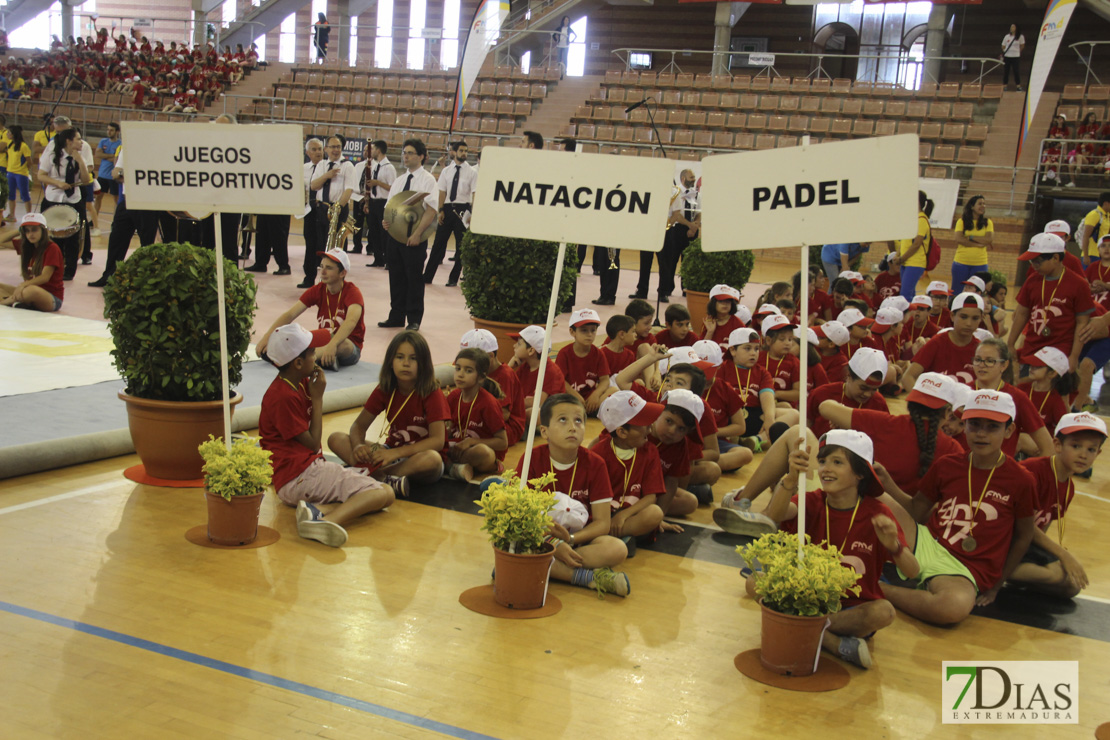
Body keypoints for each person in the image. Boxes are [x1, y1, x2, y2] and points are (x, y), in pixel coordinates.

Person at [751, 430, 920, 668]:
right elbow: (776, 514)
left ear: (861, 473)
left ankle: (799, 625)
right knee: (754, 581)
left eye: (837, 462)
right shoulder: (812, 501)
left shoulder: (877, 513)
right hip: (805, 597)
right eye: (822, 461)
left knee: (884, 612)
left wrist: (894, 546)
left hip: (850, 608)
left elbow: (913, 572)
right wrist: (789, 480)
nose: (825, 469)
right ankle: (830, 641)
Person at [875, 390, 1036, 625]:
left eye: (992, 427)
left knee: (951, 608)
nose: (981, 434)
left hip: (965, 567)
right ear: (964, 424)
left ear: (1009, 431)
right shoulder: (947, 464)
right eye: (974, 425)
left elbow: (1025, 534)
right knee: (868, 494)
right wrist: (886, 484)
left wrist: (997, 585)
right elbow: (916, 511)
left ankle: (877, 587)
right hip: (926, 541)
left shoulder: (1021, 480)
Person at [259, 324, 395, 548]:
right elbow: (313, 444)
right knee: (379, 492)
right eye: (312, 352)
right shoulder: (283, 396)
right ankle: (326, 521)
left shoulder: (297, 382)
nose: (317, 356)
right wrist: (318, 398)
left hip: (303, 473)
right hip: (299, 476)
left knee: (385, 493)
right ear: (298, 363)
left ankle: (316, 511)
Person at [515, 394, 630, 595]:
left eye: (578, 420)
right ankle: (586, 577)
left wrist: (568, 539)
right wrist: (551, 542)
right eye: (562, 420)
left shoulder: (595, 464)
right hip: (538, 537)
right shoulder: (531, 460)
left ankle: (540, 566)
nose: (572, 427)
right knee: (513, 539)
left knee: (617, 549)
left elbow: (603, 523)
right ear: (544, 431)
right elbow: (520, 515)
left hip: (579, 540)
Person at [328, 330, 449, 496]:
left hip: (418, 457)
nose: (406, 363)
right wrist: (358, 446)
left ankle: (376, 475)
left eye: (413, 358)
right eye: (400, 357)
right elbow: (358, 426)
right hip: (389, 449)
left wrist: (395, 454)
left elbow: (437, 441)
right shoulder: (385, 388)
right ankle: (383, 477)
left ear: (424, 363)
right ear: (390, 362)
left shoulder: (432, 393)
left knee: (432, 459)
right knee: (336, 438)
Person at [1010, 413, 1105, 597]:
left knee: (1072, 586)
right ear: (1058, 445)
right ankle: (989, 572)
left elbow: (1042, 527)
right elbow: (1023, 524)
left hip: (1023, 541)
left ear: (1098, 454)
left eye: (1091, 449)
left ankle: (1014, 577)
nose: (1083, 455)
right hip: (1003, 537)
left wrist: (1047, 556)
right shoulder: (1033, 471)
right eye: (1076, 446)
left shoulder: (1068, 487)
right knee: (1055, 573)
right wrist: (1063, 555)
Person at [256, 248, 364, 370]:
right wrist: (267, 336)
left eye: (329, 268)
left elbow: (351, 321)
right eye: (321, 266)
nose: (322, 272)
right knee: (298, 335)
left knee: (343, 345)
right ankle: (321, 360)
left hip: (348, 345)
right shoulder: (318, 289)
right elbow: (290, 314)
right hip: (324, 339)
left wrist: (333, 344)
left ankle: (294, 361)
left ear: (342, 273)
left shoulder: (353, 292)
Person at [1009, 233, 1094, 373]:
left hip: (1060, 353)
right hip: (1031, 349)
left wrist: (1073, 356)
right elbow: (1022, 314)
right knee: (1025, 388)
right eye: (1031, 262)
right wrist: (1011, 344)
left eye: (1038, 261)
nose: (1034, 266)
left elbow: (1082, 323)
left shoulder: (1078, 284)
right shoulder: (1032, 281)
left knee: (1051, 392)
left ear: (1055, 258)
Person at [590, 391, 667, 543]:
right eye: (644, 424)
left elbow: (651, 497)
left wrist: (623, 515)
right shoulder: (597, 455)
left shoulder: (650, 451)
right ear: (622, 432)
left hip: (631, 514)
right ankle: (617, 537)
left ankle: (611, 537)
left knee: (655, 513)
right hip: (600, 516)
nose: (650, 428)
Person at [380, 138, 437, 331]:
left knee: (413, 279)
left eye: (410, 153)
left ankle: (414, 319)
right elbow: (390, 206)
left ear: (421, 156)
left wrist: (418, 234)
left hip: (415, 237)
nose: (406, 156)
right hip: (395, 236)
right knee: (395, 277)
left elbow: (431, 211)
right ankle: (396, 315)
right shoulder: (399, 180)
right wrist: (385, 221)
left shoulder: (428, 180)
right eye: (404, 153)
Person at [969, 338, 1054, 458]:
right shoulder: (962, 392)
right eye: (978, 360)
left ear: (1004, 365)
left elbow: (1048, 448)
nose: (982, 365)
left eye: (990, 361)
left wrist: (1022, 474)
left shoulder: (1017, 398)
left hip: (1000, 473)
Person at [88, 146, 158, 287]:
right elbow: (115, 173)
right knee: (117, 239)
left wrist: (127, 174)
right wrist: (131, 174)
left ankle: (146, 279)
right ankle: (109, 276)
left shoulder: (155, 151)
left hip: (147, 201)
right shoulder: (126, 149)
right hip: (127, 199)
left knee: (147, 243)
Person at [443, 347, 507, 482]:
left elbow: (503, 442)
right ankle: (455, 467)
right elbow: (449, 428)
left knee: (483, 452)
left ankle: (449, 467)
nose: (460, 374)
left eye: (468, 371)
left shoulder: (488, 403)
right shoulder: (454, 397)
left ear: (481, 377)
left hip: (479, 454)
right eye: (458, 368)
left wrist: (471, 442)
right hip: (457, 449)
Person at [901, 292, 984, 389]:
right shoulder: (937, 343)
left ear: (981, 319)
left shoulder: (981, 350)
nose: (969, 323)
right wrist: (921, 402)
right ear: (952, 316)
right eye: (963, 317)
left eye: (975, 318)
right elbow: (908, 377)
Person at [36, 128, 89, 281]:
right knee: (52, 237)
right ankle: (51, 268)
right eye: (78, 139)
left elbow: (85, 181)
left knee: (72, 237)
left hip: (73, 200)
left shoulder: (80, 157)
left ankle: (70, 270)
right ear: (69, 141)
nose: (81, 142)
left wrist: (80, 161)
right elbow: (41, 175)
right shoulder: (53, 156)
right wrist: (57, 183)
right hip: (53, 199)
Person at [461, 328, 527, 446]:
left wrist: (471, 416)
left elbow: (504, 415)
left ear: (490, 356)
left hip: (507, 428)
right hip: (483, 421)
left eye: (470, 363)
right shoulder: (479, 371)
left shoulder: (505, 375)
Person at [304, 135, 355, 288]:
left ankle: (338, 283)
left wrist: (337, 209)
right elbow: (314, 186)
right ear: (326, 149)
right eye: (332, 147)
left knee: (337, 247)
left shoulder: (347, 166)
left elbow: (349, 190)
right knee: (319, 245)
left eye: (338, 147)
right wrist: (327, 175)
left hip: (338, 209)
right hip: (321, 209)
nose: (335, 150)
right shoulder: (322, 165)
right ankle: (316, 279)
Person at [424, 140, 476, 286]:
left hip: (464, 209)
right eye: (461, 151)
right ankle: (427, 276)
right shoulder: (446, 171)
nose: (464, 153)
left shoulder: (472, 172)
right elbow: (442, 192)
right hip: (447, 209)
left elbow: (474, 194)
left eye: (466, 151)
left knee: (461, 247)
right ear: (454, 152)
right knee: (438, 244)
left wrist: (473, 213)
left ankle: (453, 278)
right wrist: (440, 210)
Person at [809, 347, 889, 438]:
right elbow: (805, 426)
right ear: (848, 376)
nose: (867, 394)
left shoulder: (879, 403)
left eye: (874, 389)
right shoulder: (821, 393)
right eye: (863, 388)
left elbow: (883, 436)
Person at [0, 212, 64, 311]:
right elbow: (1, 240)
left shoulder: (52, 248)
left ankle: (7, 302)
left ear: (43, 230)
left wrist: (23, 285)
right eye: (27, 231)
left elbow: (45, 277)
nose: (30, 234)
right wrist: (20, 230)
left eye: (34, 230)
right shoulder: (26, 246)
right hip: (27, 290)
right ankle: (19, 303)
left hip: (51, 298)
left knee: (30, 291)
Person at [556, 308, 613, 414]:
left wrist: (595, 395)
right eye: (584, 330)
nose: (589, 334)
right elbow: (561, 381)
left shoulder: (599, 354)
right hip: (569, 398)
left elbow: (605, 380)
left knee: (614, 391)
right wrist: (576, 396)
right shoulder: (564, 354)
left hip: (590, 400)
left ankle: (587, 410)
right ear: (572, 332)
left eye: (593, 330)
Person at [1017, 346, 1074, 445]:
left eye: (1038, 366)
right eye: (1031, 364)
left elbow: (1065, 427)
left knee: (1020, 440)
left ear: (1052, 373)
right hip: (1020, 440)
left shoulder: (1055, 399)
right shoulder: (1021, 389)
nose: (1031, 368)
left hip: (1041, 445)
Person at [508, 324, 566, 417]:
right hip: (527, 414)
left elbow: (537, 403)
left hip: (549, 419)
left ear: (531, 351)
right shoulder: (525, 367)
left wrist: (511, 403)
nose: (514, 346)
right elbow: (507, 388)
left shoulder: (551, 371)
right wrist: (509, 368)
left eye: (519, 344)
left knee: (532, 413)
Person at [362, 140, 396, 268]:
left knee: (384, 233)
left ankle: (388, 260)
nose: (372, 152)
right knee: (374, 232)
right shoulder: (375, 165)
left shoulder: (389, 167)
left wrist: (378, 183)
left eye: (374, 149)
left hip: (384, 202)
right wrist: (367, 202)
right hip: (373, 201)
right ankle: (378, 259)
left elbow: (393, 187)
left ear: (379, 150)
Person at [298, 138, 325, 287]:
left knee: (323, 245)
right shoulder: (303, 169)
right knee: (310, 244)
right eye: (314, 150)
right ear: (308, 153)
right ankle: (308, 278)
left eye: (320, 149)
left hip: (324, 210)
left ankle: (325, 282)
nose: (318, 152)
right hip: (309, 211)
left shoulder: (327, 167)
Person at [952, 195, 992, 289]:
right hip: (961, 263)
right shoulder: (962, 221)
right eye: (980, 204)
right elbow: (959, 239)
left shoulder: (987, 222)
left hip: (980, 263)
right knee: (957, 291)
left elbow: (989, 239)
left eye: (984, 204)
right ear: (972, 206)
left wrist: (970, 237)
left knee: (978, 291)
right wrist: (978, 244)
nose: (983, 206)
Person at [898, 191, 932, 301]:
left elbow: (916, 244)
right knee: (909, 293)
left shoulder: (922, 220)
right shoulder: (912, 219)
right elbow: (904, 241)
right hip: (906, 262)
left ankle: (907, 317)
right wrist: (898, 255)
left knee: (905, 296)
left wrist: (902, 258)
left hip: (915, 263)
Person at [93, 121, 121, 232]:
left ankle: (116, 221)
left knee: (116, 199)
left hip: (113, 176)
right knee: (98, 197)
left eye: (111, 130)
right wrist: (112, 156)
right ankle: (94, 220)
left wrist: (107, 156)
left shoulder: (121, 144)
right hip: (102, 175)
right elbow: (98, 154)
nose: (109, 132)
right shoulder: (103, 141)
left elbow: (118, 159)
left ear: (117, 132)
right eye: (108, 129)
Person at [701, 284, 745, 349]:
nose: (725, 304)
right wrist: (710, 332)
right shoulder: (708, 322)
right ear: (713, 303)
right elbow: (701, 349)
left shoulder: (738, 325)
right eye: (721, 301)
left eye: (728, 301)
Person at [4, 125, 31, 222]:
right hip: (10, 173)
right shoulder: (10, 144)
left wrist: (24, 171)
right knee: (11, 195)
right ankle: (12, 215)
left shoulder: (23, 146)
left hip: (20, 174)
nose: (7, 134)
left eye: (9, 132)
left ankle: (29, 216)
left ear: (14, 134)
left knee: (24, 195)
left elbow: (29, 161)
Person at [1077, 192, 1110, 268]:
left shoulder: (1107, 216)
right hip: (1091, 254)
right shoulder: (1094, 215)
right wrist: (1086, 255)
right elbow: (1086, 236)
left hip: (1102, 254)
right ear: (1106, 203)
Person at [1001, 24, 1025, 91]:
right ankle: (1005, 85)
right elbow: (1003, 45)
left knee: (1016, 71)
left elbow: (1022, 45)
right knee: (1006, 71)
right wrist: (1005, 51)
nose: (1011, 28)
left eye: (1013, 27)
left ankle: (1018, 86)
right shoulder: (1007, 36)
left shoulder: (1020, 36)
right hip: (1007, 56)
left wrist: (1017, 51)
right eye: (1011, 27)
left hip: (1016, 57)